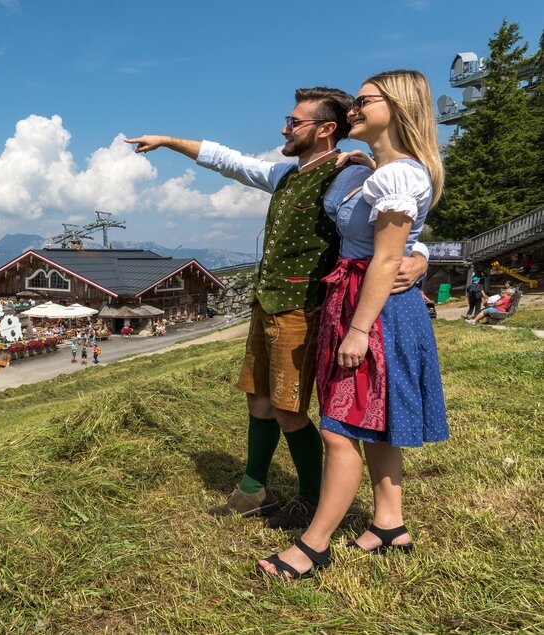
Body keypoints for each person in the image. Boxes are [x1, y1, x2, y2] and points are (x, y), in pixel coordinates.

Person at [126, 86, 429, 530]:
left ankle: (309, 498)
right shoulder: (285, 174)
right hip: (268, 302)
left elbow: (398, 226)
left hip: (305, 307)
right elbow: (230, 160)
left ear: (326, 130)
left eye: (294, 121)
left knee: (289, 408)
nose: (284, 128)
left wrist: (420, 258)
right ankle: (254, 490)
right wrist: (170, 141)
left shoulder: (353, 174)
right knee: (259, 398)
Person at [257, 69, 449, 579]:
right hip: (363, 298)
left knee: (340, 428)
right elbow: (399, 244)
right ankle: (389, 523)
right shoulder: (378, 170)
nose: (353, 111)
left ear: (398, 107)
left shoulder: (397, 174)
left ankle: (313, 546)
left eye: (364, 101)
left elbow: (387, 259)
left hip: (374, 308)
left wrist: (360, 330)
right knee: (373, 422)